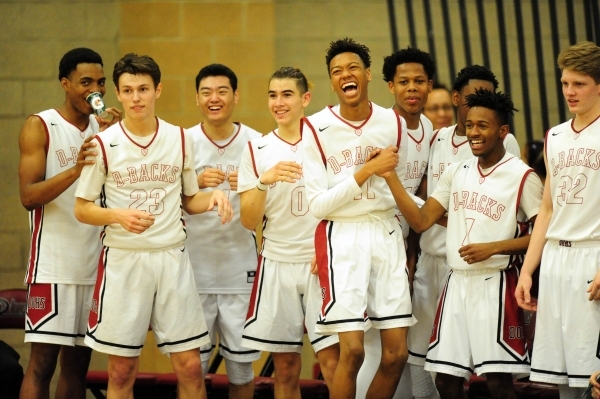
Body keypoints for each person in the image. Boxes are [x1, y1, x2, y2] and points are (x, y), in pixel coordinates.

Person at [74, 53, 233, 399]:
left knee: (191, 367)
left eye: (143, 89)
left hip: (171, 259)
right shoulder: (103, 144)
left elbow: (190, 200)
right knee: (121, 371)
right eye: (128, 90)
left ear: (158, 90)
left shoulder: (179, 138)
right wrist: (118, 215)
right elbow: (82, 209)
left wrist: (216, 197)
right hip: (124, 261)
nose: (136, 98)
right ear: (117, 93)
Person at [389, 88, 542, 399]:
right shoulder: (456, 171)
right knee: (444, 380)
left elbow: (543, 236)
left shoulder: (523, 176)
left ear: (502, 132)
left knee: (498, 384)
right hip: (456, 283)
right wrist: (390, 177)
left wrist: (495, 247)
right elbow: (421, 221)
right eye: (470, 125)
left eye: (482, 126)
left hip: (497, 284)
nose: (473, 132)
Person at [302, 37, 415, 399]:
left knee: (397, 354)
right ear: (332, 83)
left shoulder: (393, 122)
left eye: (352, 68)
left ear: (367, 74)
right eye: (336, 72)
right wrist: (365, 171)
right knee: (352, 351)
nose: (345, 75)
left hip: (385, 232)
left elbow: (401, 190)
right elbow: (319, 205)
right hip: (342, 236)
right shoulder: (314, 127)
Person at [408, 66, 522, 386]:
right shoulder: (438, 138)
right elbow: (426, 204)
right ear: (458, 98)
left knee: (492, 374)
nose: (480, 103)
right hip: (434, 262)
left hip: (481, 265)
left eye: (487, 96)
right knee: (427, 364)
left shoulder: (504, 143)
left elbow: (505, 210)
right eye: (475, 96)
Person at [18, 47, 121, 399]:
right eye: (86, 82)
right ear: (65, 83)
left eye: (101, 82)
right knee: (42, 365)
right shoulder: (40, 124)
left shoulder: (105, 129)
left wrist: (120, 139)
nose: (96, 89)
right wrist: (76, 169)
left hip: (93, 266)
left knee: (78, 368)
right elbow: (28, 196)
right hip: (53, 266)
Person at [238, 67, 339, 399]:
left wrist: (325, 250)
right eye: (272, 95)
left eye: (286, 95)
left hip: (319, 265)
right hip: (277, 263)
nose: (278, 103)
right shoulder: (257, 150)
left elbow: (340, 205)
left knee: (332, 363)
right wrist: (262, 181)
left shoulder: (325, 144)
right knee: (285, 369)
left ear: (305, 99)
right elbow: (248, 219)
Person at [516, 41, 600, 399]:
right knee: (557, 380)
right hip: (555, 260)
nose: (569, 91)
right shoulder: (554, 135)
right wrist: (527, 270)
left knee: (592, 379)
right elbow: (547, 208)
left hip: (592, 255)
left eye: (578, 83)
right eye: (565, 83)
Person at [356, 47, 436, 399]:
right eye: (403, 82)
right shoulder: (386, 127)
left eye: (419, 81)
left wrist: (413, 246)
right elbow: (372, 188)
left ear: (430, 84)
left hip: (401, 242)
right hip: (374, 239)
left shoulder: (430, 127)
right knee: (376, 347)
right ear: (390, 86)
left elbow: (417, 186)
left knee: (396, 350)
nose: (412, 88)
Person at [183, 64, 262, 398]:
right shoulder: (182, 142)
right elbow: (163, 199)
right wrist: (194, 182)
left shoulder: (257, 143)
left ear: (236, 95)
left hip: (239, 271)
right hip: (193, 274)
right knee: (192, 371)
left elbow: (267, 209)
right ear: (197, 98)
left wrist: (249, 187)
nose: (214, 99)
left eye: (222, 91)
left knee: (242, 372)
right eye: (206, 92)